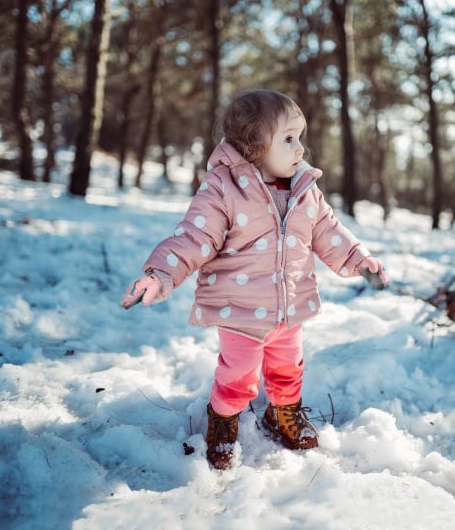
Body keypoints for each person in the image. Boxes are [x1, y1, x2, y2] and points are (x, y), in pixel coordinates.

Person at [121, 89, 388, 470]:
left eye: (301, 137)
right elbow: (194, 238)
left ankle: (282, 413)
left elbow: (329, 231)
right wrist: (160, 274)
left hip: (288, 306)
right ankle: (223, 420)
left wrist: (358, 260)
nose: (301, 150)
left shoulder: (304, 191)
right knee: (238, 374)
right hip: (240, 310)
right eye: (289, 139)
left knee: (288, 367)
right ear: (254, 146)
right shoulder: (223, 190)